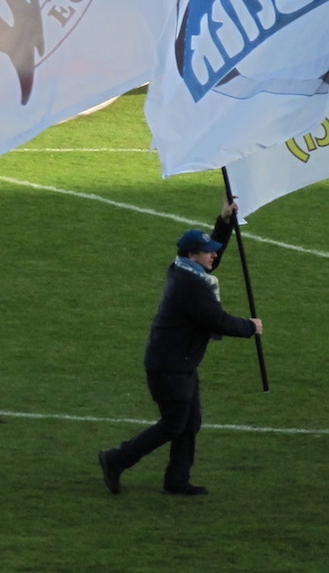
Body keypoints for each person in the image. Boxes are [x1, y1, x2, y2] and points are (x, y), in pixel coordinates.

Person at [98, 202, 262, 498]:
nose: (213, 255)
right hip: (171, 366)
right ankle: (116, 459)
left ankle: (177, 480)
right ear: (191, 255)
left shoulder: (184, 270)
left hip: (178, 362)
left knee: (189, 423)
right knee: (174, 424)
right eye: (207, 251)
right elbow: (217, 320)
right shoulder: (191, 287)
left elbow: (215, 258)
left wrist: (224, 222)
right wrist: (250, 327)